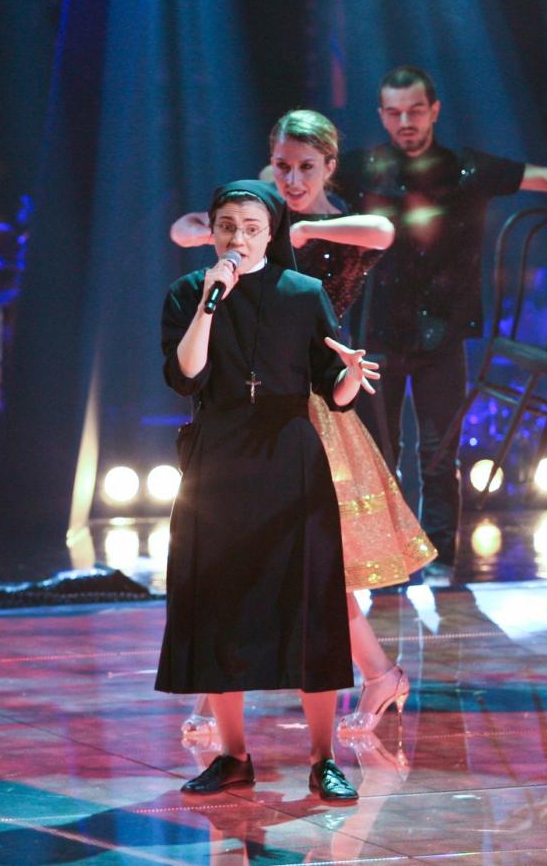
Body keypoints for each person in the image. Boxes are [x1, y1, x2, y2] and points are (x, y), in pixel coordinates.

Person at [171, 111, 436, 738]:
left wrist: (304, 225)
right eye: (283, 167)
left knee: (315, 563)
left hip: (310, 411)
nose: (292, 180)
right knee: (237, 553)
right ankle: (223, 692)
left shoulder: (335, 225)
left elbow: (384, 230)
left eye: (306, 168)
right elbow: (183, 230)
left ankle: (376, 673)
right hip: (243, 407)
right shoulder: (252, 217)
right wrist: (240, 225)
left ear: (329, 167)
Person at [158, 179, 378, 803]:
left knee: (309, 605)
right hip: (217, 463)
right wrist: (209, 303)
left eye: (252, 228)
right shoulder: (188, 292)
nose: (238, 238)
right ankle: (233, 757)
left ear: (271, 232)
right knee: (217, 604)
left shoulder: (303, 294)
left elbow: (333, 389)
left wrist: (351, 377)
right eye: (227, 225)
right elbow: (185, 377)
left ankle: (322, 757)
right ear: (212, 230)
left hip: (290, 462)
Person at [334, 65, 547, 574]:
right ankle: (386, 561)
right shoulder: (363, 168)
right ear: (381, 115)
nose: (405, 121)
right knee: (379, 454)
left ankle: (439, 560)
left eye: (415, 110)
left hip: (443, 334)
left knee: (438, 453)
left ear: (434, 110)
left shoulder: (466, 167)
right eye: (394, 112)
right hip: (375, 332)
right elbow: (291, 173)